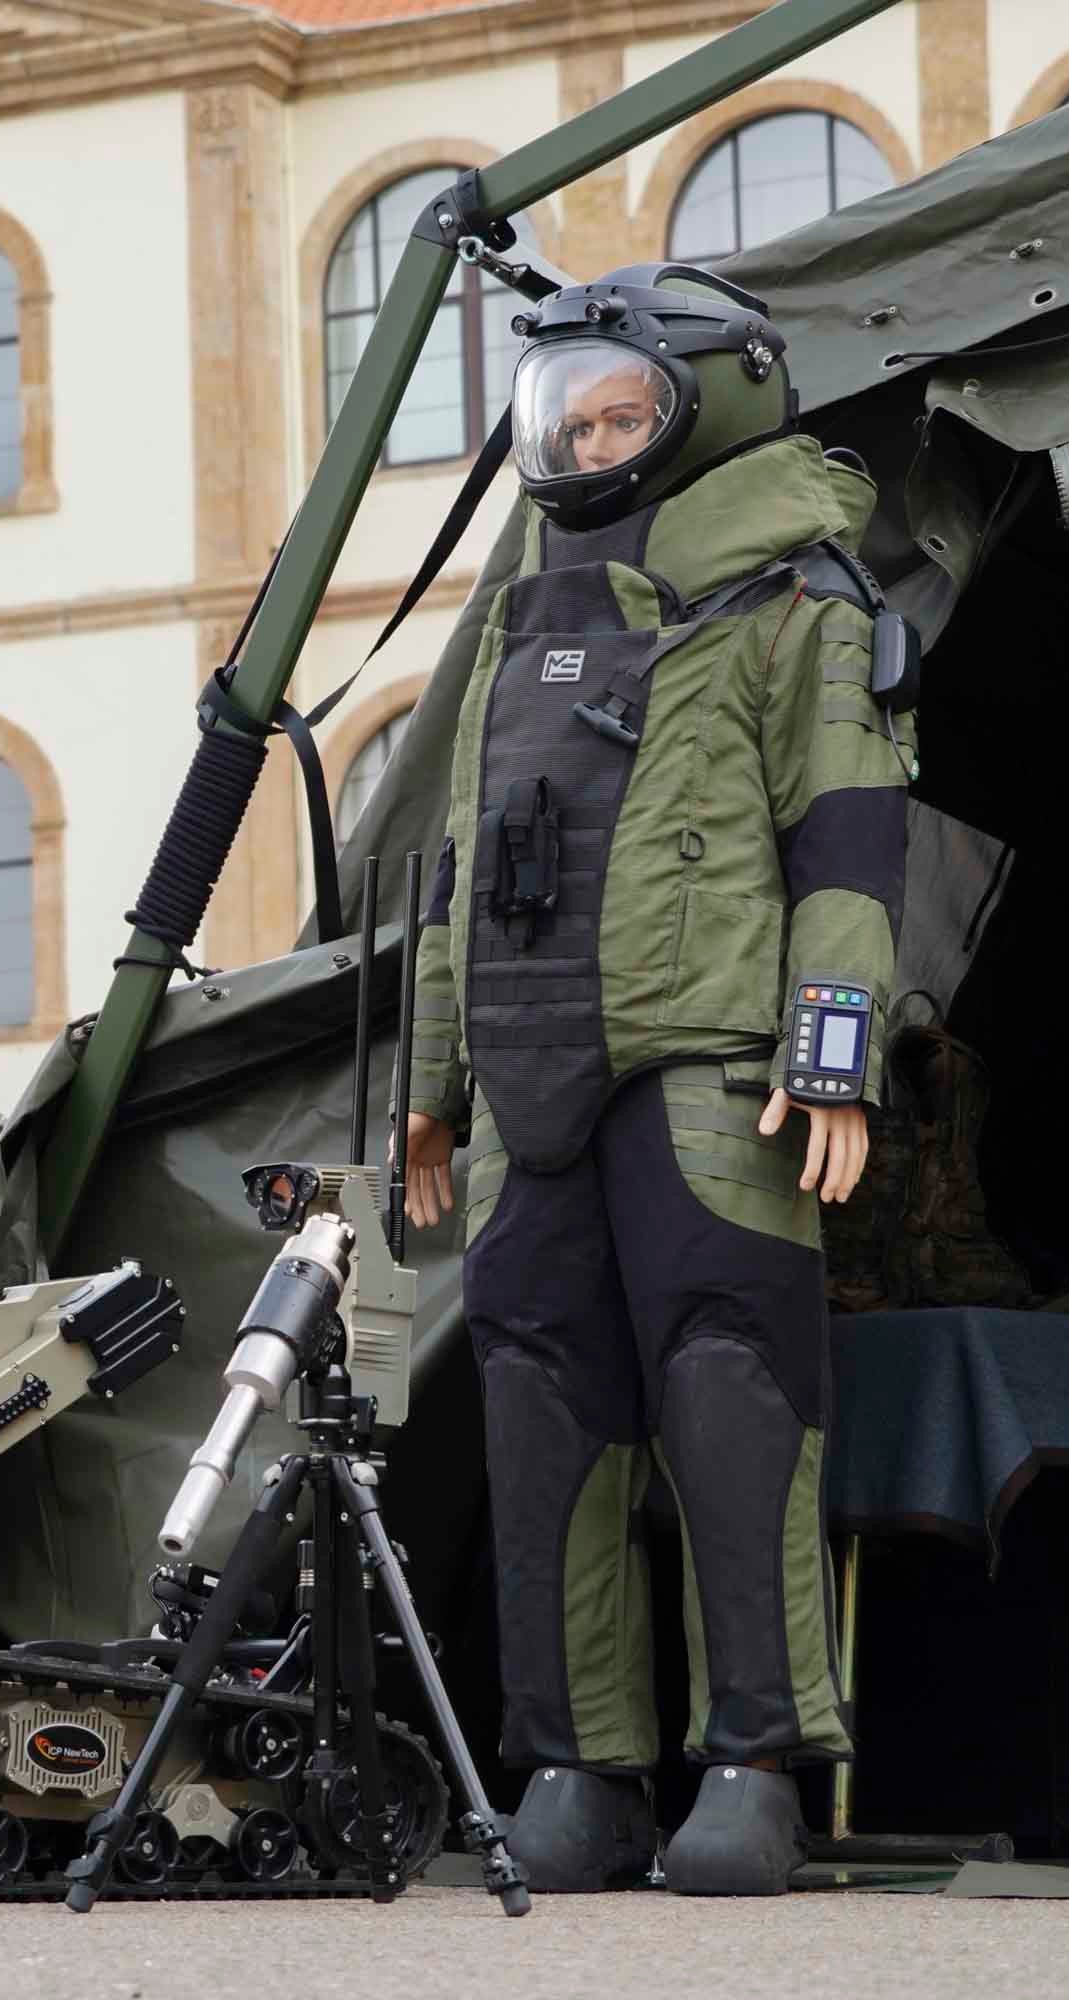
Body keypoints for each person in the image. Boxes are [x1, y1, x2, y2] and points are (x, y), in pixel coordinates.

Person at [393, 264, 913, 1896]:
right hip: (528, 1078)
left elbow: (847, 843)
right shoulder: (518, 625)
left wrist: (835, 1061)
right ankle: (574, 1764)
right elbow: (461, 864)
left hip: (708, 1073)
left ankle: (754, 1757)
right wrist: (431, 1083)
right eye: (573, 415)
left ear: (716, 405)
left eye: (624, 411)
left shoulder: (798, 600)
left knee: (729, 1397)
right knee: (541, 1409)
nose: (592, 440)